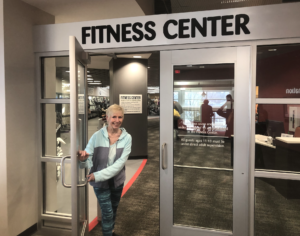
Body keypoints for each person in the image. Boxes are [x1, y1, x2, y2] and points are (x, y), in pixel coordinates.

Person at [78, 104, 132, 236]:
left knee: (113, 208)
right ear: (107, 118)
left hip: (117, 181)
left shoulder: (127, 138)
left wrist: (97, 175)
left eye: (120, 117)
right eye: (114, 117)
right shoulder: (97, 136)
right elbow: (89, 158)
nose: (117, 120)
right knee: (107, 212)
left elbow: (119, 165)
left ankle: (111, 230)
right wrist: (83, 159)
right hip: (100, 182)